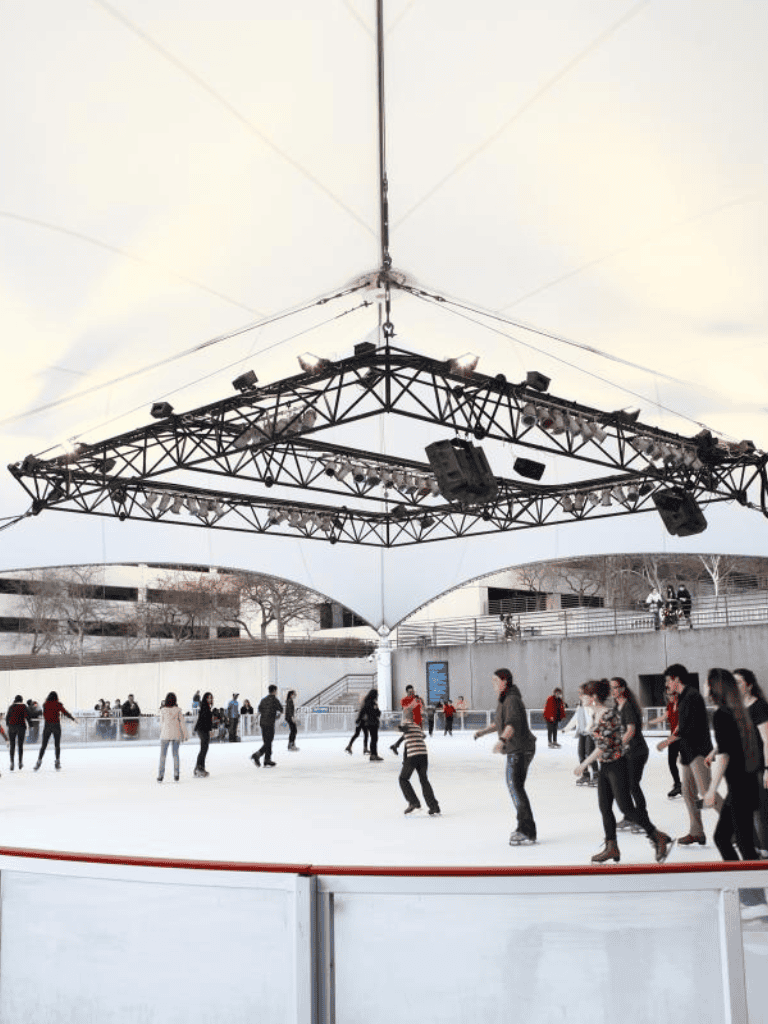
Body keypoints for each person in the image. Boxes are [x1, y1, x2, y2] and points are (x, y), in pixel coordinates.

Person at [575, 679, 672, 863]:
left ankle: (656, 835)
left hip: (617, 766)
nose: (580, 698)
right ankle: (611, 847)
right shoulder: (595, 714)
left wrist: (583, 764)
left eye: (583, 695)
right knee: (605, 808)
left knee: (625, 807)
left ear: (594, 697)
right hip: (605, 766)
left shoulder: (609, 714)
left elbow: (603, 746)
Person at [658, 663, 720, 846]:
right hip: (687, 752)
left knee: (706, 791)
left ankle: (734, 825)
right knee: (687, 792)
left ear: (676, 679)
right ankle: (697, 832)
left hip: (698, 751)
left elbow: (685, 728)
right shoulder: (683, 697)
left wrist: (666, 742)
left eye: (668, 681)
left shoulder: (692, 696)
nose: (667, 685)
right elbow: (680, 725)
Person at [703, 669, 760, 863]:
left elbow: (725, 755)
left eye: (706, 682)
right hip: (744, 785)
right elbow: (731, 747)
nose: (704, 686)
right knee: (725, 839)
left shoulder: (722, 714)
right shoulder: (736, 710)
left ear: (714, 687)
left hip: (739, 788)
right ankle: (748, 890)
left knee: (741, 844)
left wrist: (711, 789)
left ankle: (752, 892)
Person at [474, 668, 537, 845]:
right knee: (517, 788)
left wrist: (502, 740)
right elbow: (500, 723)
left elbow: (512, 724)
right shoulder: (505, 699)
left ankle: (526, 830)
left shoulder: (511, 700)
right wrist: (483, 732)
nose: (493, 685)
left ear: (504, 681)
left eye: (495, 681)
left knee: (515, 788)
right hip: (520, 748)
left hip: (519, 749)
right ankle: (526, 828)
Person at [610, 678, 655, 835]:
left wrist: (616, 746)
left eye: (615, 687)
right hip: (626, 752)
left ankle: (643, 820)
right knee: (625, 786)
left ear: (622, 689)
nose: (612, 691)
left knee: (633, 786)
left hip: (636, 751)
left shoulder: (628, 705)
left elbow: (631, 731)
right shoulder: (617, 706)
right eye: (611, 688)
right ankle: (630, 816)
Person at [733, 668, 768, 856]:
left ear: (749, 685)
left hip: (758, 767)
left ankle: (764, 851)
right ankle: (752, 849)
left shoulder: (759, 706)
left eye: (738, 682)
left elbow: (767, 740)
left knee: (759, 812)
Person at [397, 706, 440, 815]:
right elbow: (423, 736)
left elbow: (403, 728)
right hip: (423, 754)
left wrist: (400, 728)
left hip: (414, 755)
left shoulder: (406, 724)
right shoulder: (416, 726)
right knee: (424, 780)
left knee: (403, 779)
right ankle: (434, 806)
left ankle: (413, 802)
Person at [647, 686, 682, 797]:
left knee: (687, 763)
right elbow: (663, 717)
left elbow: (679, 726)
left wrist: (667, 741)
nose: (670, 697)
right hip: (673, 738)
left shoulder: (683, 705)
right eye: (668, 695)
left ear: (677, 694)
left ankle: (691, 785)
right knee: (671, 762)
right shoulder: (670, 705)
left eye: (672, 694)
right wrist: (649, 722)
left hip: (684, 738)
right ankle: (678, 785)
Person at [562, 683, 597, 786]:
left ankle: (596, 775)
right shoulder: (580, 704)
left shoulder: (592, 703)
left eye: (580, 692)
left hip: (589, 733)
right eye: (578, 692)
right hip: (581, 733)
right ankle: (585, 775)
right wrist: (566, 729)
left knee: (589, 754)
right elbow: (575, 718)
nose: (579, 694)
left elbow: (592, 718)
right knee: (581, 754)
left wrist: (588, 729)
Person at [34, 691, 77, 771]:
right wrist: (72, 718)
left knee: (44, 745)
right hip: (56, 726)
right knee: (57, 745)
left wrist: (49, 719)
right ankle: (57, 762)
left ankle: (38, 762)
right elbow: (65, 712)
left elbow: (45, 715)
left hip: (47, 726)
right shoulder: (58, 704)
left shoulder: (45, 704)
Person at [157, 692, 188, 782]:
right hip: (176, 734)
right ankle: (176, 774)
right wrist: (185, 735)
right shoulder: (178, 710)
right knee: (175, 755)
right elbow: (182, 723)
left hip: (165, 734)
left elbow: (161, 723)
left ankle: (160, 776)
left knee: (163, 756)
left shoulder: (163, 710)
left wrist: (162, 731)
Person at [251, 685, 283, 767]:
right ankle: (257, 755)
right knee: (269, 741)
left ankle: (267, 759)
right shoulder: (275, 700)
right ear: (275, 691)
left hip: (262, 723)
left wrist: (255, 720)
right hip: (269, 723)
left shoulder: (263, 700)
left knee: (267, 741)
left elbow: (259, 711)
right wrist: (277, 716)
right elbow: (281, 710)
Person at [390, 685, 423, 754]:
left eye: (412, 691)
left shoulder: (417, 699)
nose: (412, 693)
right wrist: (415, 702)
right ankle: (405, 758)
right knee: (408, 740)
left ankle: (396, 745)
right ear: (407, 692)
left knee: (408, 738)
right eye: (410, 692)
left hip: (416, 722)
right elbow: (406, 710)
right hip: (408, 722)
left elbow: (420, 710)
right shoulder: (404, 700)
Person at [193, 691, 214, 777]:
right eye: (209, 697)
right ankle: (199, 768)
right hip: (202, 729)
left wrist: (210, 730)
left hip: (203, 729)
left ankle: (200, 768)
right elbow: (205, 720)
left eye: (211, 697)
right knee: (204, 749)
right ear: (205, 698)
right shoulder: (204, 705)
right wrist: (197, 695)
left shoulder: (207, 706)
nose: (210, 699)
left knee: (204, 748)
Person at [6, 694, 29, 771]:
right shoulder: (24, 706)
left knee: (12, 745)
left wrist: (8, 725)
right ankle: (20, 762)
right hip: (21, 727)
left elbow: (7, 717)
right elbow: (27, 716)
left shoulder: (11, 707)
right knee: (20, 745)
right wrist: (31, 724)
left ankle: (12, 762)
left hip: (12, 727)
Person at [359, 688, 382, 761]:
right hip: (372, 723)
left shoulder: (370, 703)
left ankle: (374, 754)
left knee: (374, 739)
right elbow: (375, 712)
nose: (377, 696)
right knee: (374, 739)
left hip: (372, 722)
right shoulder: (370, 703)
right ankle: (373, 755)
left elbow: (377, 713)